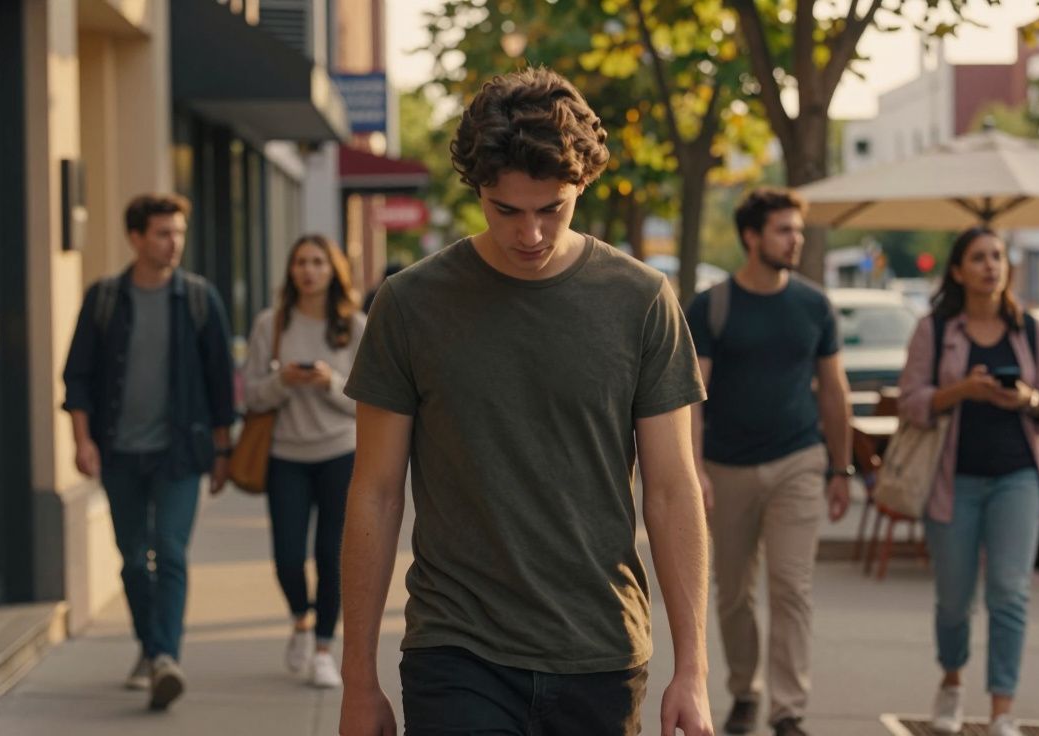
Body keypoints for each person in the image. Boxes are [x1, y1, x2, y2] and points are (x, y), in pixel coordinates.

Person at [338, 68, 714, 736]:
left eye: (552, 209)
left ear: (583, 186)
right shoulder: (411, 304)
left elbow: (672, 490)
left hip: (598, 648)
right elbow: (375, 493)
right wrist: (357, 678)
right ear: (477, 188)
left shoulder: (642, 302)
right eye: (507, 210)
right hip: (457, 647)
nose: (531, 234)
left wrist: (694, 670)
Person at [684, 188, 852, 736]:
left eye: (797, 230)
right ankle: (743, 691)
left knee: (790, 584)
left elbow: (833, 391)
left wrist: (840, 467)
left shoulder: (813, 305)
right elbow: (693, 395)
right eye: (783, 230)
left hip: (797, 461)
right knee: (733, 592)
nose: (795, 239)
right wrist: (695, 470)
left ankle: (787, 710)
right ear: (752, 237)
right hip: (727, 469)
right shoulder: (712, 307)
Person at [62, 193, 235, 711]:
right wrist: (82, 440)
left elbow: (222, 383)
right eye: (163, 233)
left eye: (178, 233)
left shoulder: (201, 299)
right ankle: (153, 646)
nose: (173, 242)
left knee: (172, 551)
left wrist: (223, 451)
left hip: (179, 453)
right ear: (136, 238)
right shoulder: (106, 299)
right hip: (118, 451)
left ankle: (164, 658)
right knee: (135, 560)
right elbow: (78, 377)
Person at [897, 227, 1039, 736]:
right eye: (979, 257)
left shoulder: (1031, 329)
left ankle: (1001, 712)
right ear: (958, 271)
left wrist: (1028, 400)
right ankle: (951, 682)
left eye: (998, 256)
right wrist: (962, 390)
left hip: (1017, 477)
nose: (991, 265)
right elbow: (910, 402)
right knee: (953, 600)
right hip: (954, 482)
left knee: (1010, 594)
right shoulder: (935, 328)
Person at [241, 234, 365, 689]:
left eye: (317, 262)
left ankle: (323, 650)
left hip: (339, 452)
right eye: (300, 262)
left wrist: (330, 382)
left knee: (331, 556)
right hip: (285, 456)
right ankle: (299, 618)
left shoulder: (354, 326)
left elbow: (369, 401)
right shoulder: (270, 324)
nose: (308, 270)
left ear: (332, 270)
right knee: (288, 556)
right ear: (291, 271)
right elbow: (252, 394)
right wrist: (284, 382)